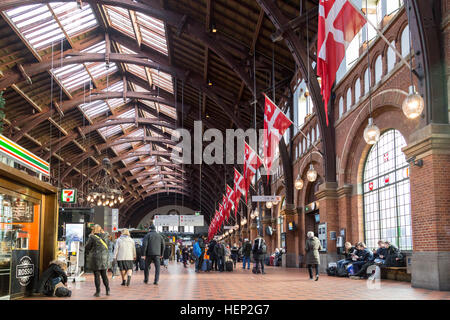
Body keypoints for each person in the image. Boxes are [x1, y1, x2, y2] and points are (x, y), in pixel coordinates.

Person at [85, 224, 111, 297]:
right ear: (100, 229)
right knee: (104, 275)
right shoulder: (106, 236)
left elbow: (87, 247)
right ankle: (107, 290)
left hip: (95, 258)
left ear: (93, 230)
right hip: (104, 258)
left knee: (97, 275)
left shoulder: (92, 237)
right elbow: (108, 246)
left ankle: (98, 292)